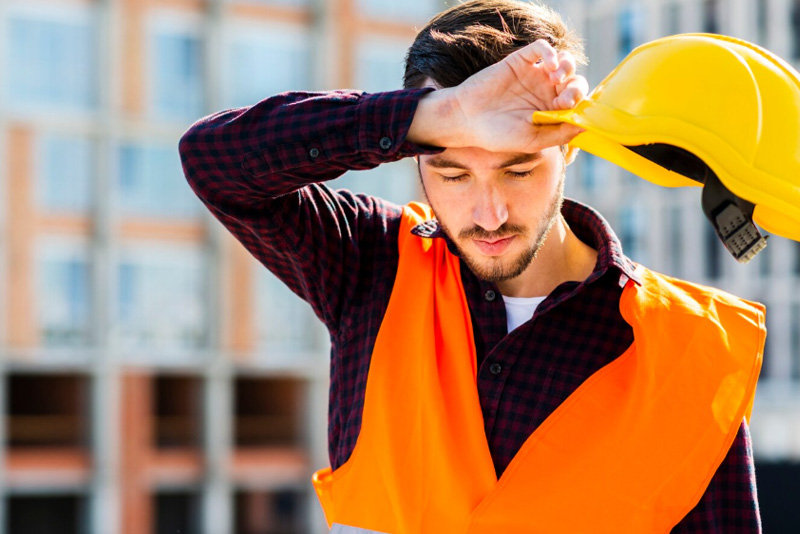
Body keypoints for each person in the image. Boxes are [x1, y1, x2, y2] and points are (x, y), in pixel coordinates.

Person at [180, 1, 765, 532]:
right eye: (453, 173)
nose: (489, 215)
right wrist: (441, 115)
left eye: (519, 169)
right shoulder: (371, 262)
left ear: (569, 145)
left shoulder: (688, 353)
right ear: (416, 155)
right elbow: (213, 161)